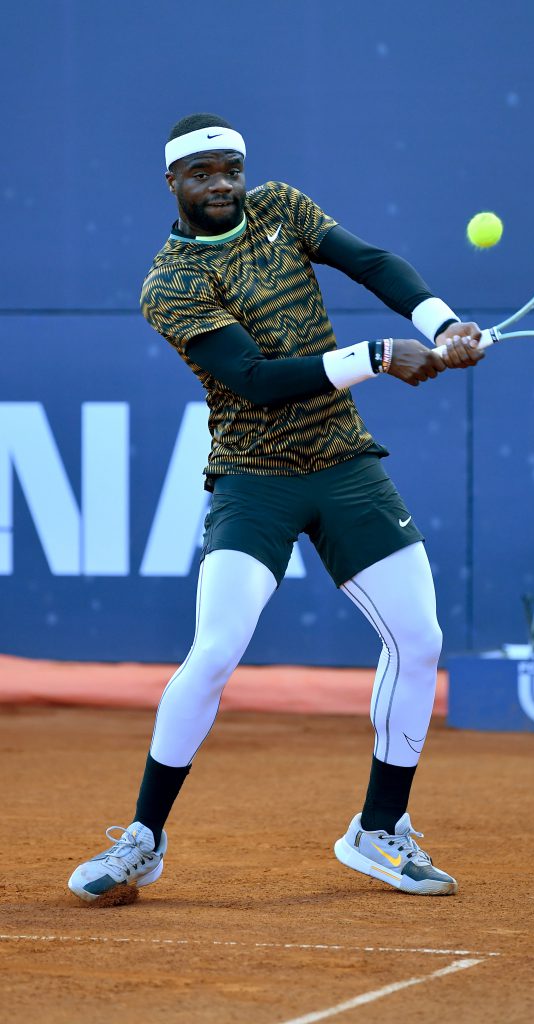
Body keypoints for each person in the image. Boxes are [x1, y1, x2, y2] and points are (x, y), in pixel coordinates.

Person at [68, 113, 484, 903]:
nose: (221, 184)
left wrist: (439, 324)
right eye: (203, 173)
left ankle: (378, 831)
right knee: (216, 650)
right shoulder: (170, 283)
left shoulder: (281, 208)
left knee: (419, 639)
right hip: (252, 475)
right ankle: (142, 841)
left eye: (231, 169)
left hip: (345, 466)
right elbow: (254, 378)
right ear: (173, 183)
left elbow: (369, 262)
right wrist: (374, 357)